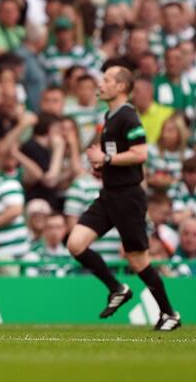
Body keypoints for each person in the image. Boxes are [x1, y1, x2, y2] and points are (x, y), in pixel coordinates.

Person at [67, 66, 180, 330]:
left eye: (107, 79)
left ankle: (169, 314)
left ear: (121, 87)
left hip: (128, 197)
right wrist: (103, 167)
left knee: (138, 259)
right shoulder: (110, 116)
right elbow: (122, 157)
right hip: (109, 195)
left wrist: (105, 158)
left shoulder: (128, 116)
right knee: (75, 244)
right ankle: (117, 288)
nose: (101, 83)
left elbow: (141, 153)